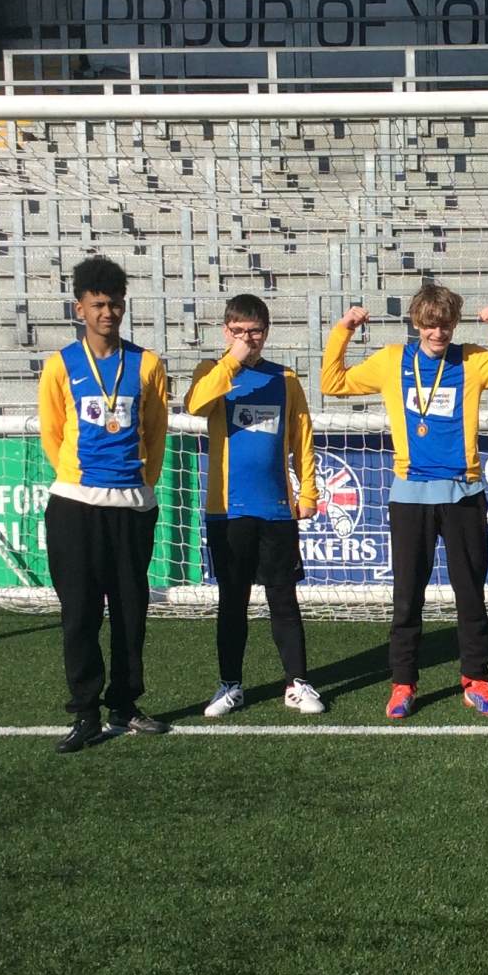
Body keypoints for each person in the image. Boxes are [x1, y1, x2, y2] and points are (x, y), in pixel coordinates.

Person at [320, 285, 488, 721]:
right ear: (416, 323)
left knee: (470, 595)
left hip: (464, 494)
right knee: (407, 597)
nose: (437, 333)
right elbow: (332, 382)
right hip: (410, 497)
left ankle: (476, 679)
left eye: (445, 324)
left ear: (454, 324)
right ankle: (403, 683)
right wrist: (342, 330)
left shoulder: (472, 360)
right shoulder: (391, 361)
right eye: (429, 324)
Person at [39, 255, 171, 753]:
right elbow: (52, 433)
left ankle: (126, 704)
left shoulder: (147, 364)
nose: (107, 313)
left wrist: (139, 484)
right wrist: (79, 479)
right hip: (75, 507)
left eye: (115, 304)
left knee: (131, 612)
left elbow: (156, 432)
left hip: (131, 507)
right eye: (97, 305)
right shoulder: (60, 365)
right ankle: (85, 712)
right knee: (80, 614)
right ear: (80, 309)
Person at [184, 293, 325, 718]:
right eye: (239, 331)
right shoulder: (212, 371)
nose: (248, 339)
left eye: (255, 331)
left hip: (276, 509)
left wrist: (308, 493)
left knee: (284, 599)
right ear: (226, 332)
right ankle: (230, 684)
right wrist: (232, 360)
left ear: (267, 332)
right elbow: (195, 405)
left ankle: (297, 683)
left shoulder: (285, 379)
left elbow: (302, 437)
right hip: (228, 511)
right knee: (233, 600)